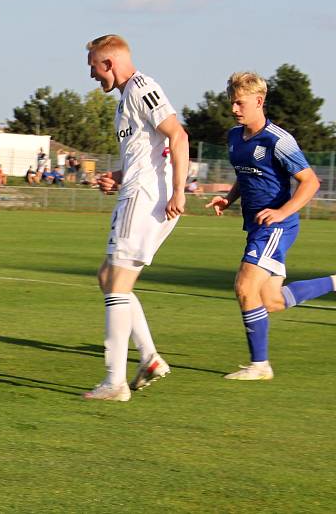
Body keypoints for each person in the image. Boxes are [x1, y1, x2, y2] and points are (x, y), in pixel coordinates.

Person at [205, 72, 334, 381]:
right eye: (232, 103)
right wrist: (229, 198)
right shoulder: (235, 137)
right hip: (258, 225)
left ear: (259, 101)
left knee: (244, 287)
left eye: (240, 103)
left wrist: (281, 212)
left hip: (277, 225)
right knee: (270, 301)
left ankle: (260, 366)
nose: (234, 109)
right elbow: (246, 175)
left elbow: (310, 181)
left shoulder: (278, 139)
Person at [84, 34, 189, 401]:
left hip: (144, 200)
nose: (94, 77)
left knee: (116, 283)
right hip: (139, 193)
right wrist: (117, 175)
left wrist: (179, 190)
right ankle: (149, 358)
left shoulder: (142, 88)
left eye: (94, 68)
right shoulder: (126, 100)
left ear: (108, 63)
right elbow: (149, 150)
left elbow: (178, 135)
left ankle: (115, 382)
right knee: (108, 277)